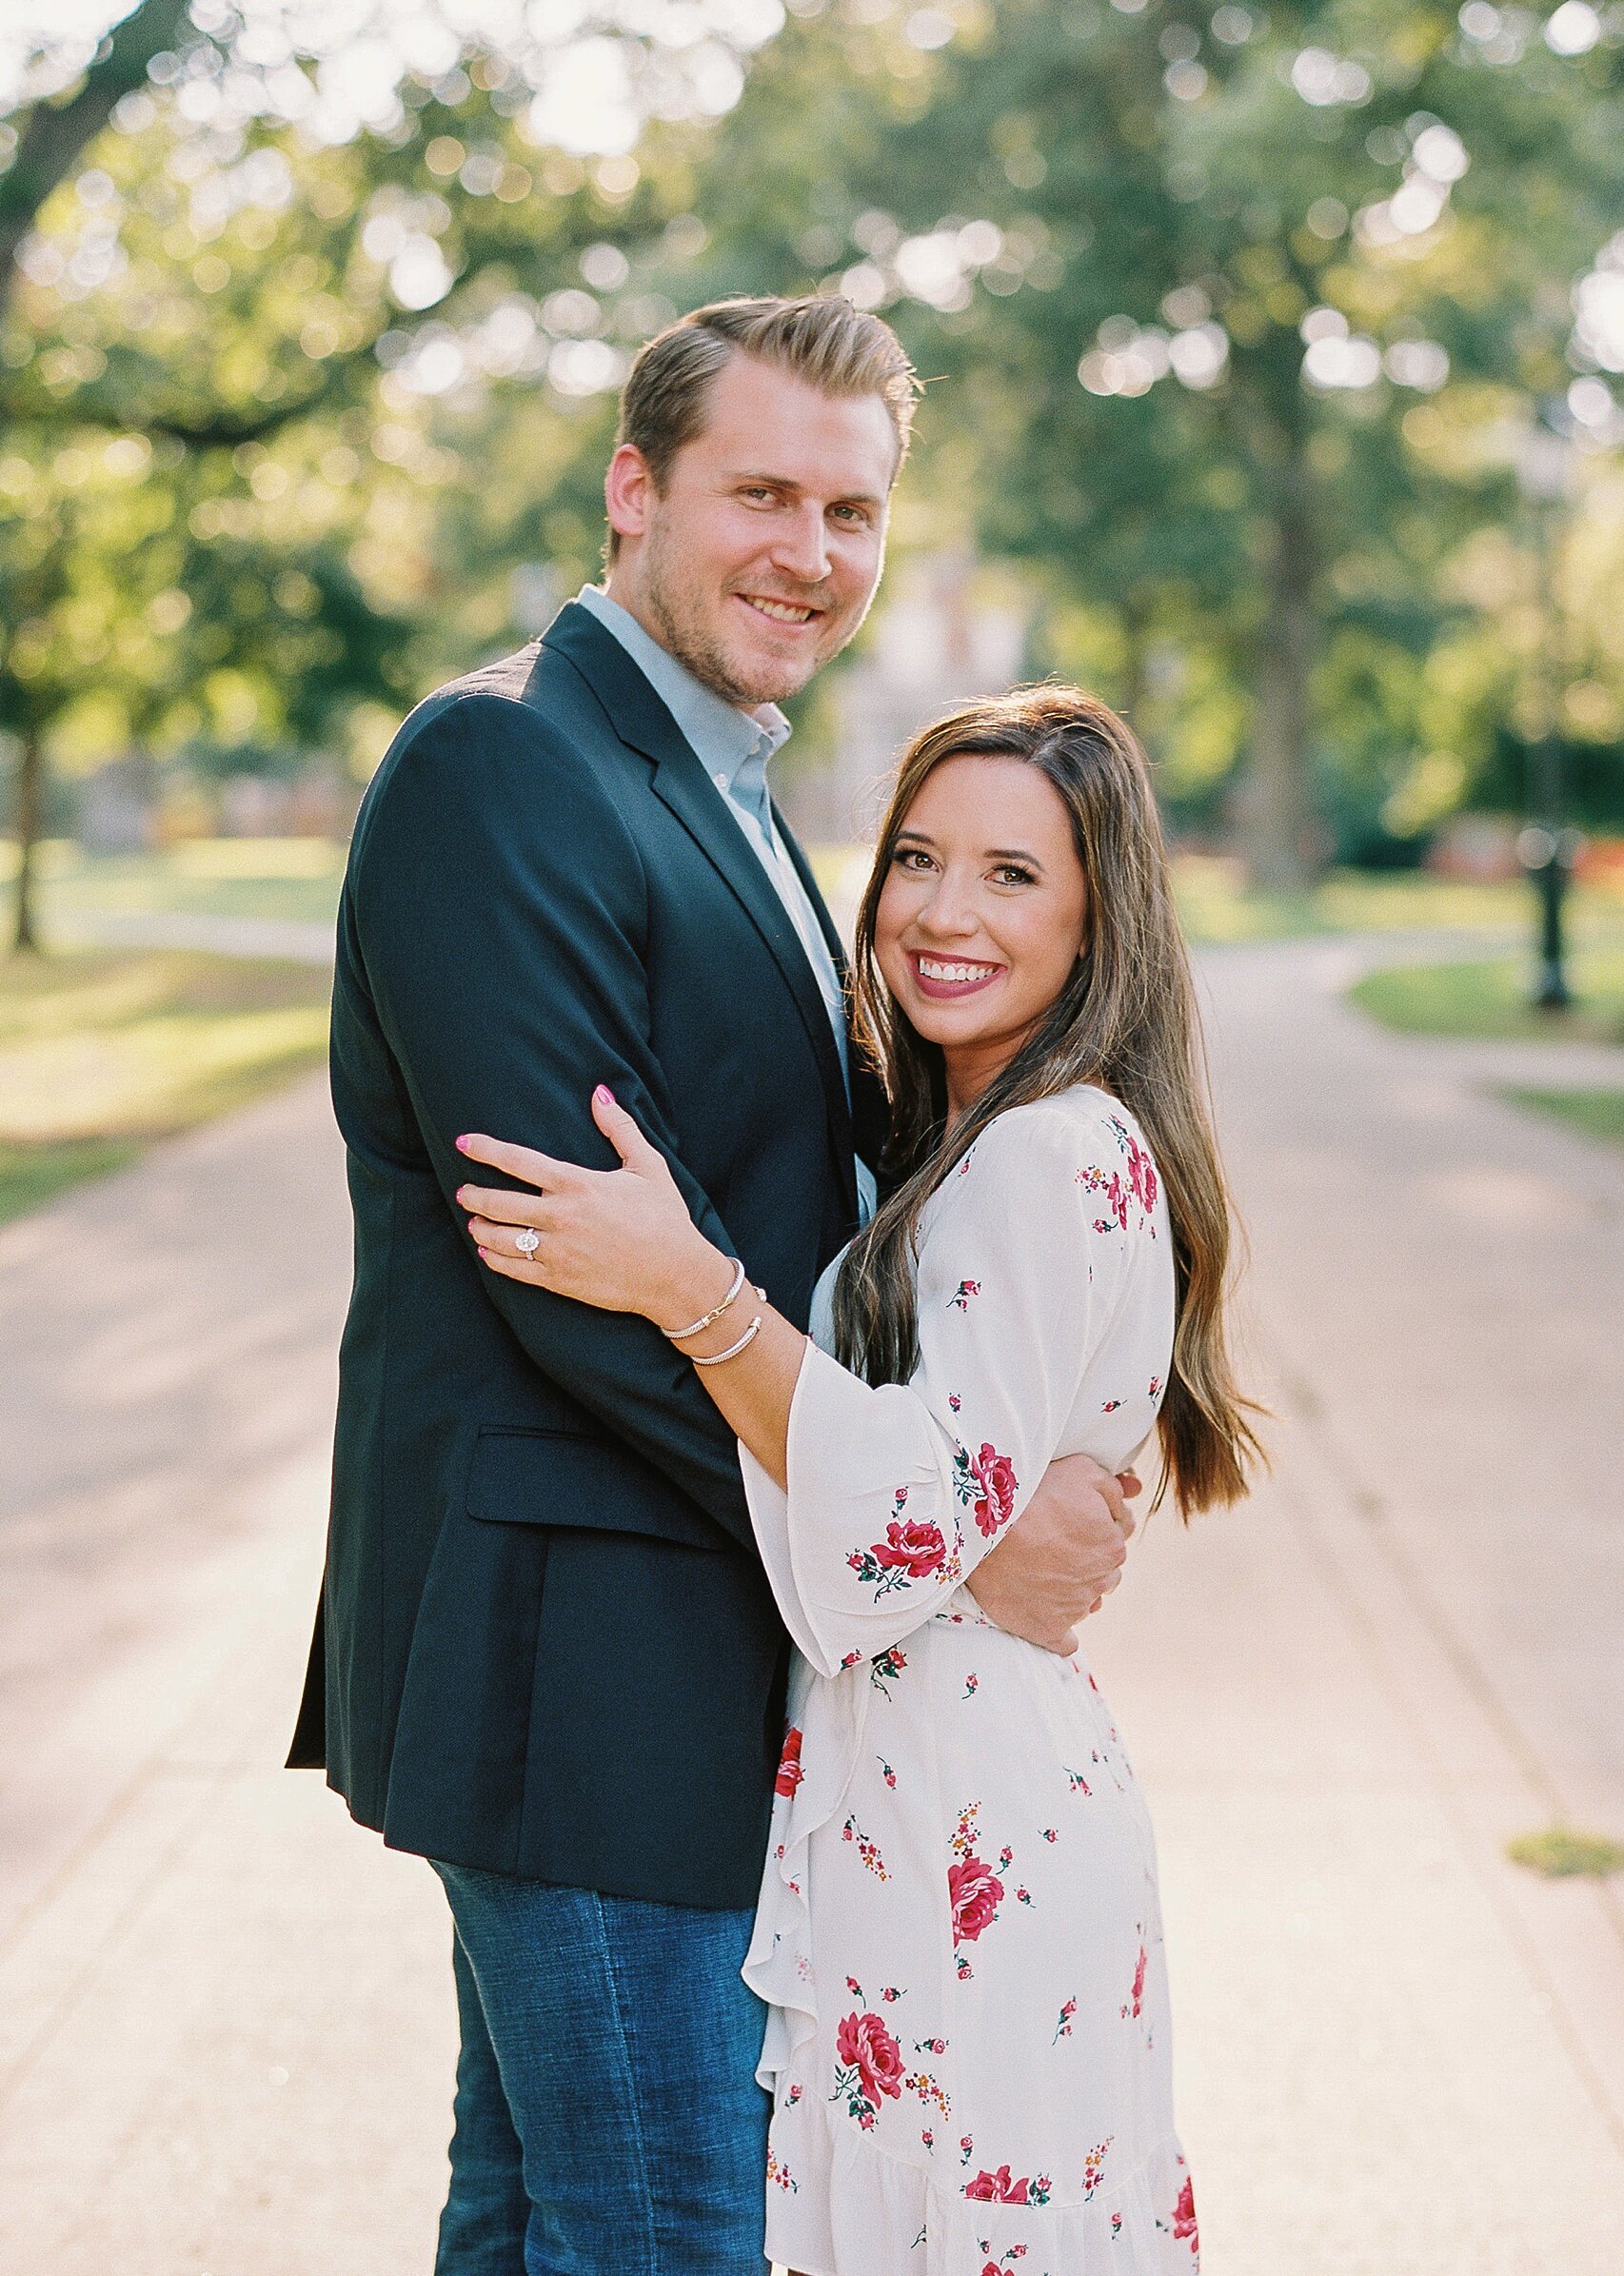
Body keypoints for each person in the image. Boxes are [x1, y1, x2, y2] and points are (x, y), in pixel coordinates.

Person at [287, 296, 1142, 2275]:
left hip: (672, 1657)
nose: (812, 553)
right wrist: (948, 1533)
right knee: (670, 2228)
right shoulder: (503, 768)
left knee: (538, 2215)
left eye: (853, 512)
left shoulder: (722, 782)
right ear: (631, 490)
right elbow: (568, 1274)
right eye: (763, 491)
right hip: (575, 1665)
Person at [456, 683, 1262, 2273]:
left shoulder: (1054, 1153)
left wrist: (687, 1284)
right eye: (915, 858)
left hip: (974, 1821)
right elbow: (947, 1484)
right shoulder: (953, 1143)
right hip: (911, 1794)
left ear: (1103, 919)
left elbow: (898, 1522)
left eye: (1013, 874)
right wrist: (986, 1528)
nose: (944, 913)